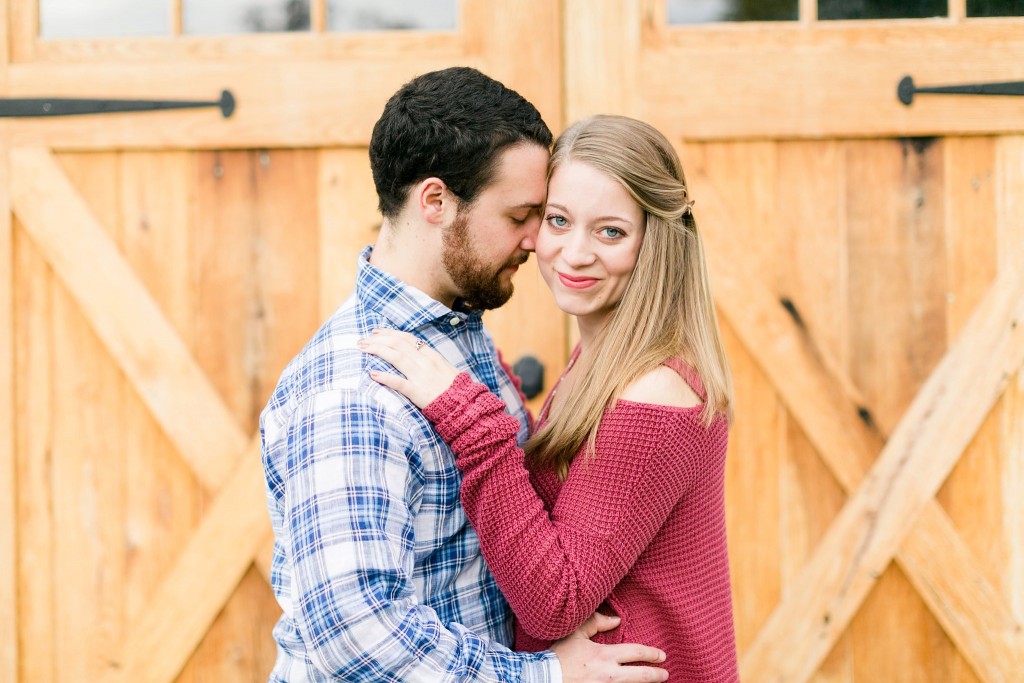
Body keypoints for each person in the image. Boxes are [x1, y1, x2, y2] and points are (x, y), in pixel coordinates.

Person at [260, 68, 670, 683]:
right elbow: (355, 630)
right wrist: (541, 676)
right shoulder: (354, 388)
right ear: (436, 202)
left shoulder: (454, 334)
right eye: (518, 216)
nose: (538, 240)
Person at [360, 115, 741, 682]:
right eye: (558, 220)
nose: (574, 253)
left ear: (654, 242)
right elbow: (580, 500)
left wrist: (472, 421)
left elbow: (557, 600)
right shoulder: (604, 358)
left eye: (610, 231)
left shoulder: (653, 394)